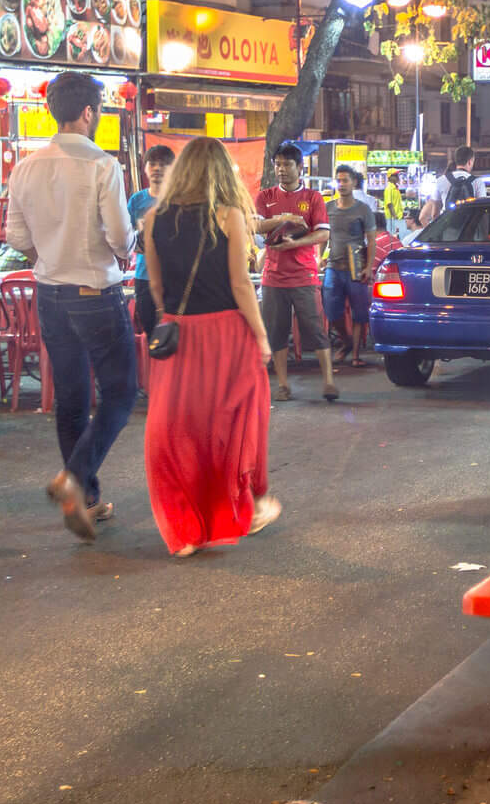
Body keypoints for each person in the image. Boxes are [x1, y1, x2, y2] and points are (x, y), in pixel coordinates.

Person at [5, 72, 137, 538]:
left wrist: (51, 254)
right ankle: (74, 479)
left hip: (50, 294)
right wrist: (128, 240)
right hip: (93, 293)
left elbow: (16, 238)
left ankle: (86, 499)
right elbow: (121, 237)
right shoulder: (103, 165)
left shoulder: (24, 168)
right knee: (121, 393)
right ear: (88, 112)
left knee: (72, 397)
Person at [142, 137, 278, 555]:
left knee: (174, 428)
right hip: (227, 334)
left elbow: (156, 287)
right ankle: (246, 505)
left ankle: (184, 529)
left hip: (178, 333)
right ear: (221, 172)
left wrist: (173, 320)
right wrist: (260, 334)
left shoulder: (153, 219)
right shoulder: (228, 215)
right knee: (235, 423)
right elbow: (241, 284)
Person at [255, 141, 336, 403]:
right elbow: (256, 227)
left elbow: (323, 232)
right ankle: (282, 385)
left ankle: (329, 382)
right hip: (272, 277)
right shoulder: (265, 197)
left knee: (315, 330)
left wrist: (296, 242)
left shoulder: (313, 198)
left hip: (304, 276)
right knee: (277, 332)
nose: (281, 169)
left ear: (300, 168)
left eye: (287, 164)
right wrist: (283, 219)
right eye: (277, 164)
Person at [324, 166, 378, 369]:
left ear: (354, 183)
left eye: (345, 180)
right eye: (338, 180)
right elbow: (323, 235)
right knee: (331, 310)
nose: (341, 184)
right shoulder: (328, 208)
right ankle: (346, 342)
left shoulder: (363, 210)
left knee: (359, 313)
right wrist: (319, 255)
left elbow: (371, 241)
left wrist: (368, 267)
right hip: (333, 266)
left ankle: (355, 355)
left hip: (356, 268)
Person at [129, 144, 176, 334]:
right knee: (151, 335)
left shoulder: (179, 199)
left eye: (163, 164)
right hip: (144, 277)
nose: (157, 168)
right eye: (152, 164)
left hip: (173, 278)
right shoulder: (136, 201)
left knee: (173, 336)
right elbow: (127, 237)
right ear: (145, 168)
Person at [419, 146, 477, 226]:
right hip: (470, 228)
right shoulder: (477, 182)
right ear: (470, 162)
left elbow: (433, 215)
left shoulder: (440, 181)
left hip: (448, 228)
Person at [382, 171, 406, 235]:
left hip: (398, 217)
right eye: (396, 175)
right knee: (393, 235)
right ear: (390, 177)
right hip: (392, 218)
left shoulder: (395, 188)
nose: (398, 177)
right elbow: (389, 204)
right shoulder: (389, 189)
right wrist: (395, 217)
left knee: (398, 235)